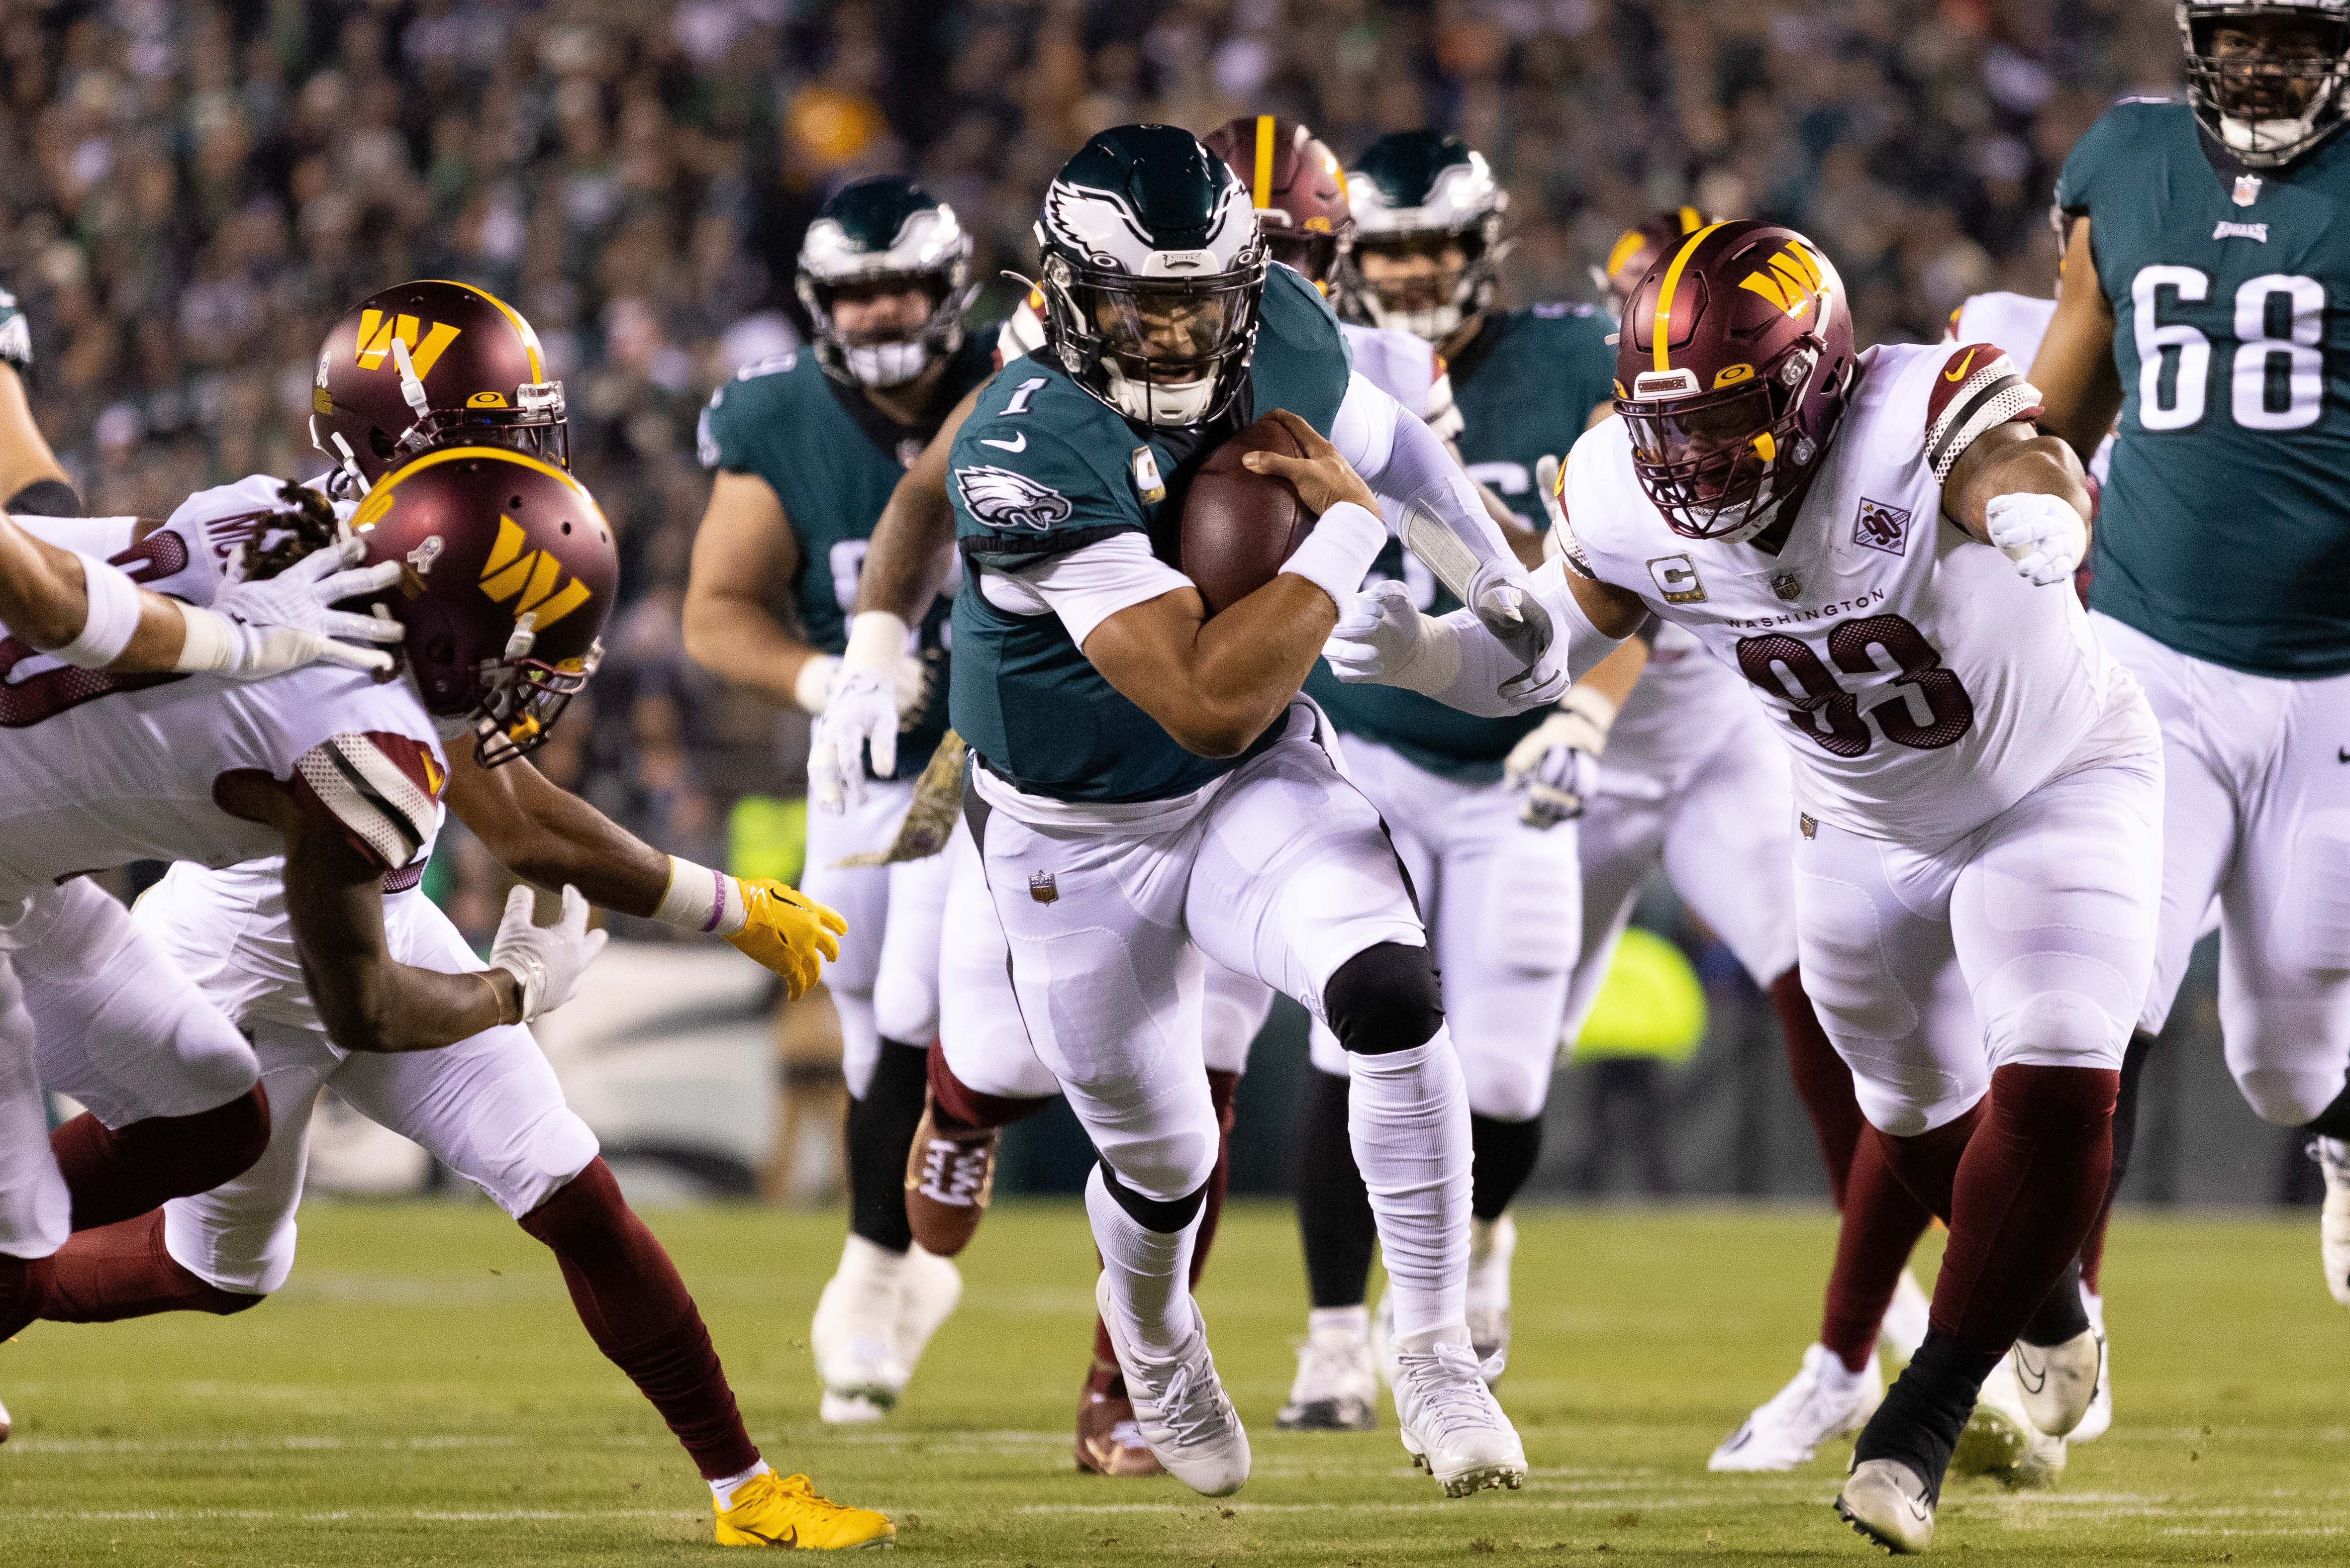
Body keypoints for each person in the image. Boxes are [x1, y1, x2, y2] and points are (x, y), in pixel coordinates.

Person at [1329, 217, 2153, 1553]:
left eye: (1725, 416)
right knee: (1905, 1107)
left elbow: (2028, 453)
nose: (1693, 457)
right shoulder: (1616, 481)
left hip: (2043, 783)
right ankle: (2049, 1306)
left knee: (2056, 1076)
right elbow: (1535, 653)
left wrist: (2036, 509)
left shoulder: (1910, 405)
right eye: (1669, 423)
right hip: (1852, 817)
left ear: (1814, 382)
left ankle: (1922, 1418)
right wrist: (1426, 657)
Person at [824, 123, 1555, 1499]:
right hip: (1071, 835)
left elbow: (1392, 453)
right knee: (1161, 1166)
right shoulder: (1022, 437)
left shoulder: (1280, 327)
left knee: (1392, 991)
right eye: (1137, 306)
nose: (1170, 338)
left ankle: (1438, 1351)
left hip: (1248, 790)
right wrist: (1345, 541)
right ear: (1065, 294)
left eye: (1196, 304)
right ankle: (1154, 1337)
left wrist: (1499, 585)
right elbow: (1204, 692)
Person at [1277, 128, 1618, 1427]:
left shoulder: (1572, 361)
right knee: (1349, 1031)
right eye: (1392, 248)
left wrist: (1578, 711)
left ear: (1482, 250)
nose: (1413, 273)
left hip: (1504, 755)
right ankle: (1325, 1340)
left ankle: (1474, 1241)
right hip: (1364, 748)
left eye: (1434, 247)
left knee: (1513, 1083)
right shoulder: (1310, 358)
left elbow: (1610, 568)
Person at [2031, 3, 2350, 1330]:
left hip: (2330, 673)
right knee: (2105, 993)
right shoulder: (2125, 156)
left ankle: (2338, 1128)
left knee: (2283, 1059)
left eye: (2292, 35)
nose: (2262, 64)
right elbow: (2064, 401)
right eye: (2240, 33)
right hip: (2149, 653)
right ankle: (2050, 1307)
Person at [684, 176, 992, 1424]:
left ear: (950, 287)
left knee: (920, 999)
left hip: (1003, 753)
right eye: (857, 290)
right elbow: (716, 612)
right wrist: (824, 674)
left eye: (900, 285)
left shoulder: (1027, 378)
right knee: (867, 1013)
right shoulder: (778, 416)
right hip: (863, 760)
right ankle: (907, 1255)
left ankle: (875, 1263)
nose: (879, 311)